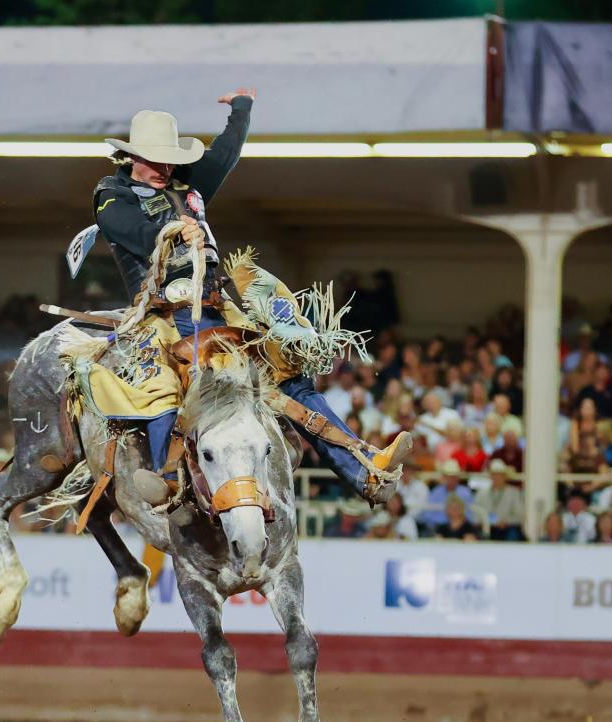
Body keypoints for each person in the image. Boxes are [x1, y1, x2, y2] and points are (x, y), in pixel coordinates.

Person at [93, 92, 409, 505]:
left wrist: (241, 108)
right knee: (161, 384)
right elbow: (125, 228)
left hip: (217, 305)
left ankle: (363, 465)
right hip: (164, 311)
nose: (165, 167)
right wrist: (170, 232)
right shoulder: (112, 192)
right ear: (132, 157)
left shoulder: (185, 184)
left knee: (288, 368)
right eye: (156, 159)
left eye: (168, 158)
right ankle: (167, 477)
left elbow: (224, 154)